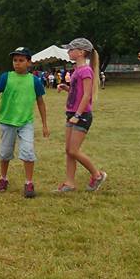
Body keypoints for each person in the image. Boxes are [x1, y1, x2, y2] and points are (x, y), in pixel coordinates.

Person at [0, 47, 49, 198]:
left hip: (26, 122)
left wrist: (44, 124)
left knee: (28, 152)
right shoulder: (5, 77)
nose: (17, 63)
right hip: (7, 122)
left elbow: (41, 102)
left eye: (21, 60)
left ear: (29, 62)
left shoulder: (34, 81)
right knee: (5, 153)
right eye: (15, 60)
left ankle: (29, 183)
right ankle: (3, 178)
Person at [55, 38, 107, 192]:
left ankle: (97, 175)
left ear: (81, 52)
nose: (68, 52)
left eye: (71, 49)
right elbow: (78, 92)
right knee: (68, 150)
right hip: (71, 113)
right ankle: (69, 183)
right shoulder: (77, 70)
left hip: (82, 115)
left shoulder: (85, 70)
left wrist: (77, 115)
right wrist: (66, 88)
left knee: (73, 150)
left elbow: (87, 95)